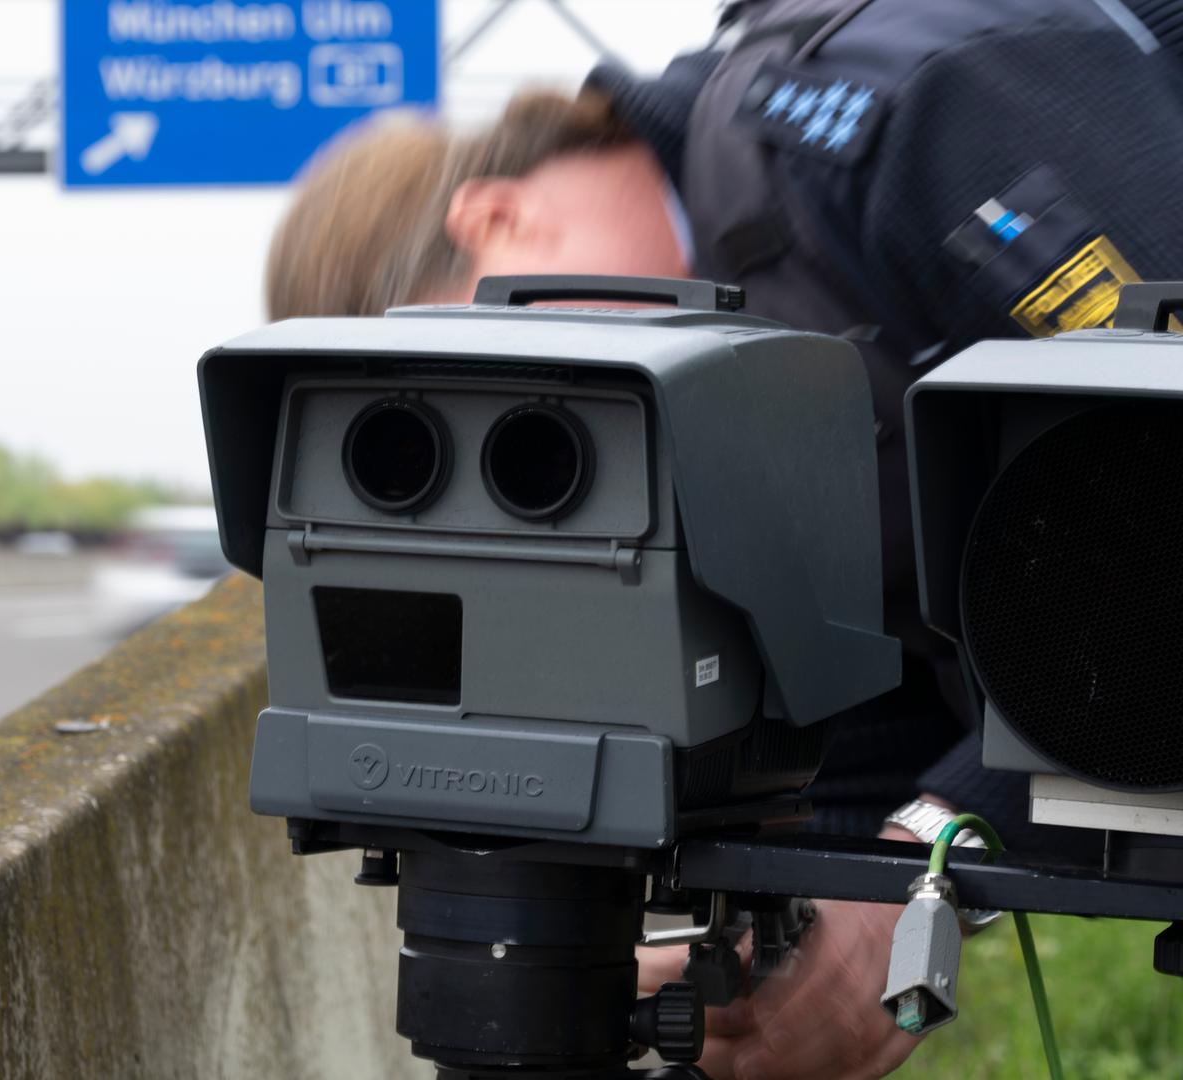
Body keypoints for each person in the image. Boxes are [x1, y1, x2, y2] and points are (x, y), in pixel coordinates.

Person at [263, 1, 1183, 1077]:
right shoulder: (735, 362)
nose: (548, 487)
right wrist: (796, 914)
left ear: (501, 223)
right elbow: (873, 671)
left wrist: (944, 834)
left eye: (517, 449)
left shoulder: (900, 115)